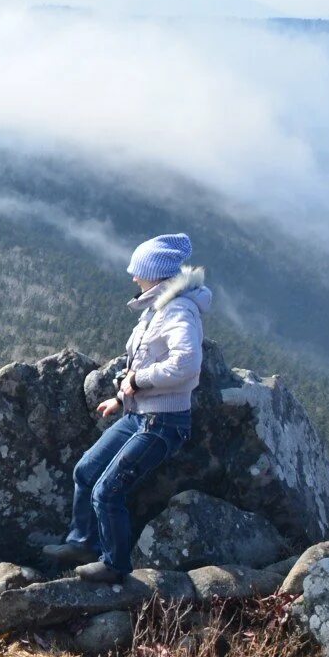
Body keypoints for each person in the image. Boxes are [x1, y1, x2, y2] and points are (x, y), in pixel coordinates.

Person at [45, 233, 215, 582]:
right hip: (138, 414)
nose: (133, 277)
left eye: (138, 271)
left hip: (163, 422)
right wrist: (122, 398)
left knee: (108, 492)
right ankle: (82, 543)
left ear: (156, 273)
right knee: (86, 471)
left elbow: (186, 364)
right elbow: (142, 359)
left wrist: (137, 383)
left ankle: (115, 565)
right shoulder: (156, 307)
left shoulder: (179, 310)